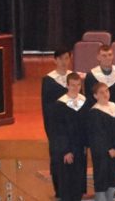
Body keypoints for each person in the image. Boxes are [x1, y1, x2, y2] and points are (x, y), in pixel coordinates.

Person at [46, 73, 88, 201]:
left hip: (80, 150)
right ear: (67, 85)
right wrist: (66, 151)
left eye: (78, 85)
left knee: (78, 185)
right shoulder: (60, 105)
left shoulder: (84, 102)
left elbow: (86, 126)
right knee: (67, 186)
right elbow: (58, 131)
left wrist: (86, 145)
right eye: (73, 85)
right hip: (66, 151)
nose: (76, 88)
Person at [41, 49, 73, 200]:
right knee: (58, 161)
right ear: (55, 60)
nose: (63, 61)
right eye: (60, 58)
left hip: (73, 127)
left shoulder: (73, 78)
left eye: (66, 58)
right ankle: (59, 193)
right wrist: (51, 132)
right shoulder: (49, 80)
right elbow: (46, 108)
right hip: (57, 129)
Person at [88, 83, 115, 201]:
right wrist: (109, 149)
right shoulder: (94, 112)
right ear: (95, 95)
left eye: (107, 91)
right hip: (102, 153)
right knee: (102, 181)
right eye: (101, 92)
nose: (105, 94)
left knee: (113, 181)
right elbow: (98, 134)